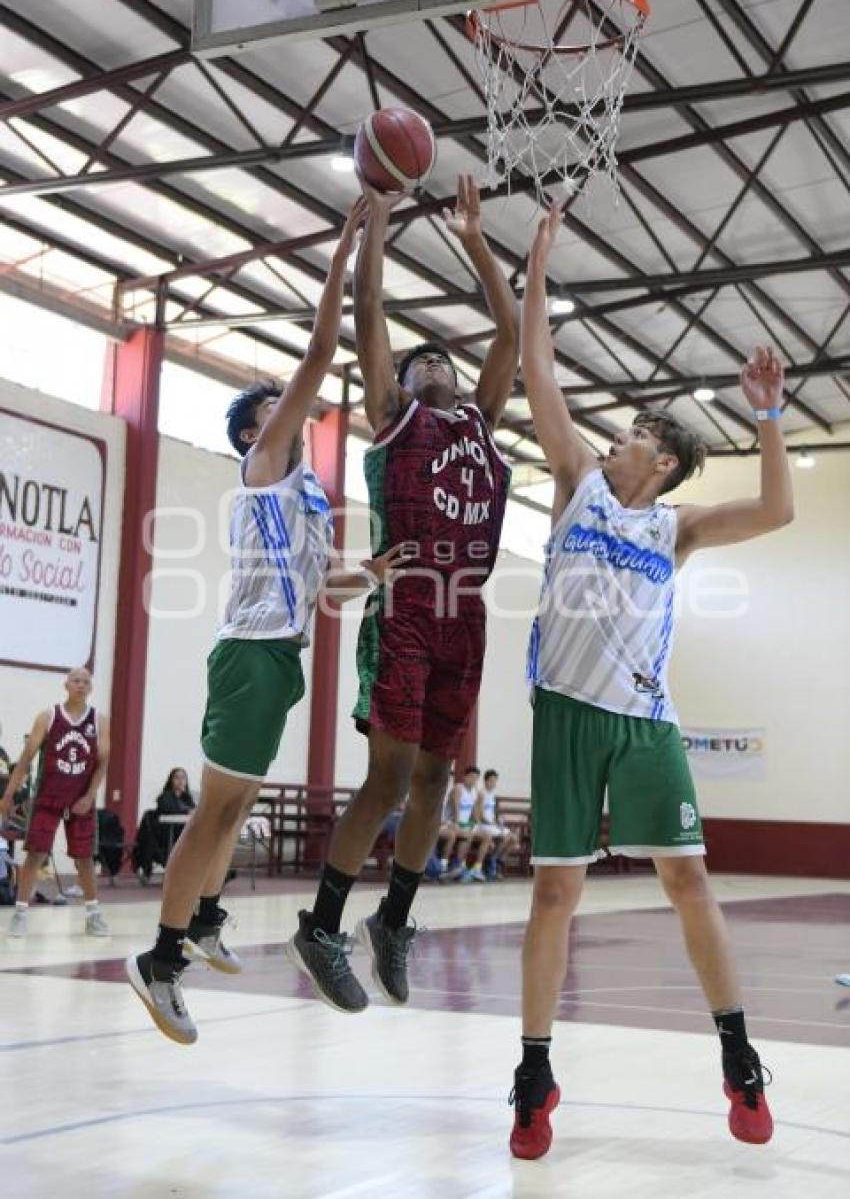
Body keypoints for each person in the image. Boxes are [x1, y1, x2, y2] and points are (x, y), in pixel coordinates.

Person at [509, 203, 794, 1160]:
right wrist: (540, 257)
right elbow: (537, 364)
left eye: (633, 433)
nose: (615, 438)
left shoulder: (679, 526)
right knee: (554, 895)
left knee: (687, 879)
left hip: (644, 722)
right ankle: (534, 1069)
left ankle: (738, 1052)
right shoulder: (579, 480)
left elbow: (778, 507)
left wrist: (767, 416)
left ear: (662, 460)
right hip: (564, 716)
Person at [126, 199, 406, 1046]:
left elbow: (324, 585)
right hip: (248, 655)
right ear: (259, 428)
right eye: (282, 407)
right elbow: (322, 352)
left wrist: (372, 573)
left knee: (236, 804)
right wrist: (348, 254)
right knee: (215, 813)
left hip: (279, 660)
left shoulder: (306, 500)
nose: (301, 409)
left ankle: (205, 916)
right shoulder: (265, 460)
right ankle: (161, 960)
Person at [288, 173, 518, 1011]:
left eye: (442, 359)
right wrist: (378, 224)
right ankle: (321, 926)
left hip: (468, 613)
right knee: (386, 778)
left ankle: (395, 919)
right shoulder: (395, 415)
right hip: (410, 603)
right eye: (424, 360)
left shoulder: (480, 424)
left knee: (433, 782)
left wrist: (475, 241)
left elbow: (509, 332)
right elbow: (372, 311)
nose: (435, 364)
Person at [0, 667, 111, 937]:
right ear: (66, 685)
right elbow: (26, 760)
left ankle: (93, 914)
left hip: (80, 799)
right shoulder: (48, 716)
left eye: (86, 681)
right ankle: (20, 914)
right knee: (35, 854)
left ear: (91, 688)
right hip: (48, 795)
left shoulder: (99, 720)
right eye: (76, 680)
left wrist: (89, 795)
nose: (81, 685)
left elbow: (102, 762)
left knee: (84, 857)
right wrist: (7, 797)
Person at [446, 765, 492, 883]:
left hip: (466, 824)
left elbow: (473, 814)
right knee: (468, 834)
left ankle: (477, 868)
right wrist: (459, 825)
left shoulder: (475, 792)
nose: (473, 780)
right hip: (452, 823)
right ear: (464, 777)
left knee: (487, 836)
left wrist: (477, 824)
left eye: (476, 778)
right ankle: (459, 865)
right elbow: (456, 809)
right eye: (471, 777)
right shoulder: (458, 788)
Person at [475, 769, 516, 879]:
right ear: (485, 781)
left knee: (514, 838)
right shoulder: (481, 793)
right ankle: (492, 861)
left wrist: (498, 820)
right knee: (506, 837)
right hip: (484, 825)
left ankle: (499, 859)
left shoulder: (492, 794)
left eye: (495, 781)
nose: (493, 783)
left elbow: (492, 813)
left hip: (492, 824)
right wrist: (493, 823)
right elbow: (479, 815)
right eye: (491, 781)